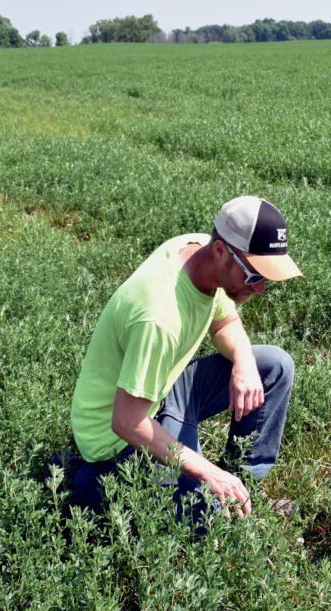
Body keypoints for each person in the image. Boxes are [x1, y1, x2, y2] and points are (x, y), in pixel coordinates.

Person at [49, 196, 302, 529]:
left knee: (274, 366)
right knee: (208, 516)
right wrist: (207, 470)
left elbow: (224, 321)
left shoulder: (197, 250)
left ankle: (243, 486)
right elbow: (126, 421)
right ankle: (80, 478)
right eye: (255, 276)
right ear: (221, 252)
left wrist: (243, 360)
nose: (262, 289)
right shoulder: (159, 318)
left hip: (160, 391)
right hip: (117, 437)